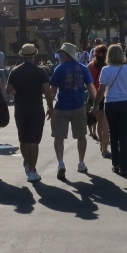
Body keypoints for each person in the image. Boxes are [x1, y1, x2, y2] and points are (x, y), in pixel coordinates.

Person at [48, 42, 97, 179]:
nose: (60, 55)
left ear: (66, 54)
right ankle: (81, 163)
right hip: (78, 106)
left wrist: (50, 107)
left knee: (59, 137)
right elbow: (91, 87)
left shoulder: (59, 69)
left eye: (61, 53)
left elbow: (52, 90)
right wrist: (96, 104)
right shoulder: (82, 68)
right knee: (81, 135)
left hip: (61, 107)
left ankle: (61, 163)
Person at [6, 44, 53, 182]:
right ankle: (32, 171)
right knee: (33, 141)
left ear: (22, 55)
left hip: (20, 108)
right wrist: (50, 107)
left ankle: (27, 163)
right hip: (36, 107)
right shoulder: (41, 71)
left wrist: (18, 89)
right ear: (35, 55)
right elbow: (47, 91)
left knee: (23, 139)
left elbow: (8, 90)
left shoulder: (15, 71)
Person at [96, 44, 127, 177]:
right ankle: (124, 167)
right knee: (124, 135)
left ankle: (115, 163)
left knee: (113, 134)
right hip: (125, 103)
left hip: (110, 104)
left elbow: (101, 90)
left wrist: (95, 105)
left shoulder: (105, 70)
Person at [87, 44, 110, 156]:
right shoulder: (108, 66)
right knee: (105, 123)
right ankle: (104, 147)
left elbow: (86, 82)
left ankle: (101, 144)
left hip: (94, 96)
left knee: (100, 122)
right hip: (107, 95)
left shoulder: (90, 66)